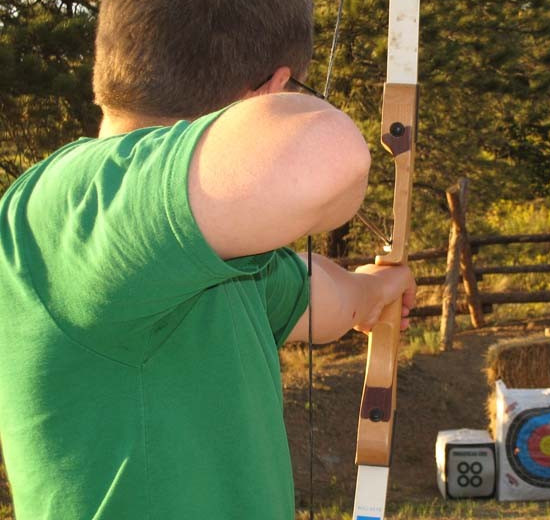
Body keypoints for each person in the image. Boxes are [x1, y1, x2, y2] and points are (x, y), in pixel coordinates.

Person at [0, 1, 416, 519]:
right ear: (270, 92)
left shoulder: (199, 248)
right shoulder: (75, 202)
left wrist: (377, 290)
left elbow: (317, 296)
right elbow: (331, 157)